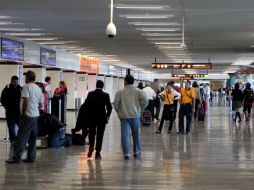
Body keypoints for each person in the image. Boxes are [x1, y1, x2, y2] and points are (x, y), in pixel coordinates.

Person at [6, 70, 44, 164]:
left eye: (25, 76)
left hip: (28, 115)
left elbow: (25, 101)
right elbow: (40, 104)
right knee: (32, 137)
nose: (25, 78)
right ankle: (31, 156)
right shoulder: (38, 88)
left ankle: (16, 158)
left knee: (21, 137)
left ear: (27, 77)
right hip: (35, 115)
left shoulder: (26, 87)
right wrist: (35, 110)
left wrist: (23, 114)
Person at [113, 75, 148, 160]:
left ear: (125, 81)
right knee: (136, 134)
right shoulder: (138, 91)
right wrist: (141, 108)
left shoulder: (120, 91)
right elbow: (146, 100)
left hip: (124, 117)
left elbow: (115, 103)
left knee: (125, 136)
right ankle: (136, 151)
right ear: (133, 82)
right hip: (135, 116)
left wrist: (118, 111)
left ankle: (126, 153)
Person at [85, 80, 112, 160]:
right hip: (102, 118)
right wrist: (107, 116)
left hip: (92, 118)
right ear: (102, 86)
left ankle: (91, 146)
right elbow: (109, 107)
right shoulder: (106, 95)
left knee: (92, 133)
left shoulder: (90, 94)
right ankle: (97, 153)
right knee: (100, 135)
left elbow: (86, 106)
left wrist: (88, 115)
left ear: (96, 85)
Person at [1, 76, 22, 143]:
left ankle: (18, 138)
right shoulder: (7, 88)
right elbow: (2, 99)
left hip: (18, 111)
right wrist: (6, 106)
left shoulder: (20, 88)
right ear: (11, 81)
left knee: (20, 125)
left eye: (16, 82)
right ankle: (12, 140)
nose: (15, 84)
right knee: (10, 126)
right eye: (14, 82)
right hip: (9, 110)